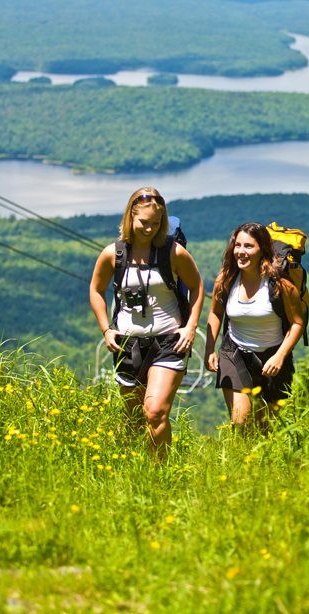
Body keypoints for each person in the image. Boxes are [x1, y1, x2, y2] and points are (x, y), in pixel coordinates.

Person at [90, 187, 204, 457]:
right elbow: (96, 290)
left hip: (168, 342)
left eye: (156, 223)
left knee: (155, 411)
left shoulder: (173, 253)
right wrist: (106, 329)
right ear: (130, 217)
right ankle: (132, 468)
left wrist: (190, 327)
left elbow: (197, 287)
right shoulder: (113, 254)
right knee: (133, 418)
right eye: (144, 222)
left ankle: (159, 473)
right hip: (127, 344)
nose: (150, 229)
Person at [205, 222, 304, 430]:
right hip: (234, 353)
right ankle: (240, 459)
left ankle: (259, 462)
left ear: (263, 250)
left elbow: (297, 323)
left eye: (249, 246)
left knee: (266, 426)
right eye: (237, 245)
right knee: (241, 422)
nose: (241, 252)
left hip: (273, 356)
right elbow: (215, 313)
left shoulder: (281, 285)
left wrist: (280, 356)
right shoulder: (226, 279)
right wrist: (209, 349)